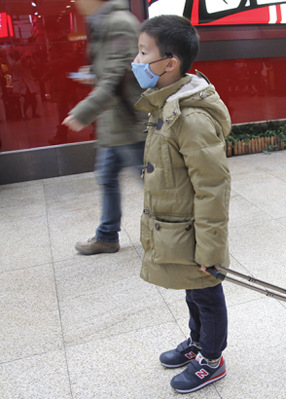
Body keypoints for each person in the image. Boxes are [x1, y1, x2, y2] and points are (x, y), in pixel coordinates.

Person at [132, 15, 232, 394]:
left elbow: (213, 187)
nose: (137, 61)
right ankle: (197, 343)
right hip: (177, 226)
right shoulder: (166, 105)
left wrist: (211, 248)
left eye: (144, 53)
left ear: (169, 62)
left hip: (194, 229)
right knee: (192, 291)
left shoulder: (190, 118)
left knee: (206, 292)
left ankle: (212, 359)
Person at [64, 0, 146, 255]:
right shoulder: (104, 23)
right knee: (107, 177)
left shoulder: (119, 23)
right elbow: (112, 70)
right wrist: (93, 73)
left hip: (130, 121)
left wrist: (84, 112)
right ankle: (107, 236)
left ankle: (185, 231)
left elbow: (119, 76)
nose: (77, 3)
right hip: (114, 122)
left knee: (154, 184)